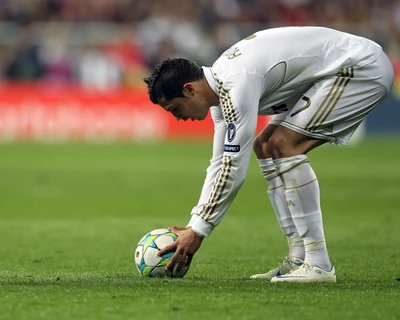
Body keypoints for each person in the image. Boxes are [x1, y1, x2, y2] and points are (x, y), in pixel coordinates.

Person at [143, 26, 394, 283]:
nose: (177, 118)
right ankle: (298, 257)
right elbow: (219, 162)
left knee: (285, 146)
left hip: (361, 68)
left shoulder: (235, 82)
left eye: (174, 108)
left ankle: (319, 263)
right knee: (265, 145)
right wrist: (194, 223)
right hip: (334, 72)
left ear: (189, 90)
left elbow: (233, 169)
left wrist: (199, 231)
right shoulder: (221, 90)